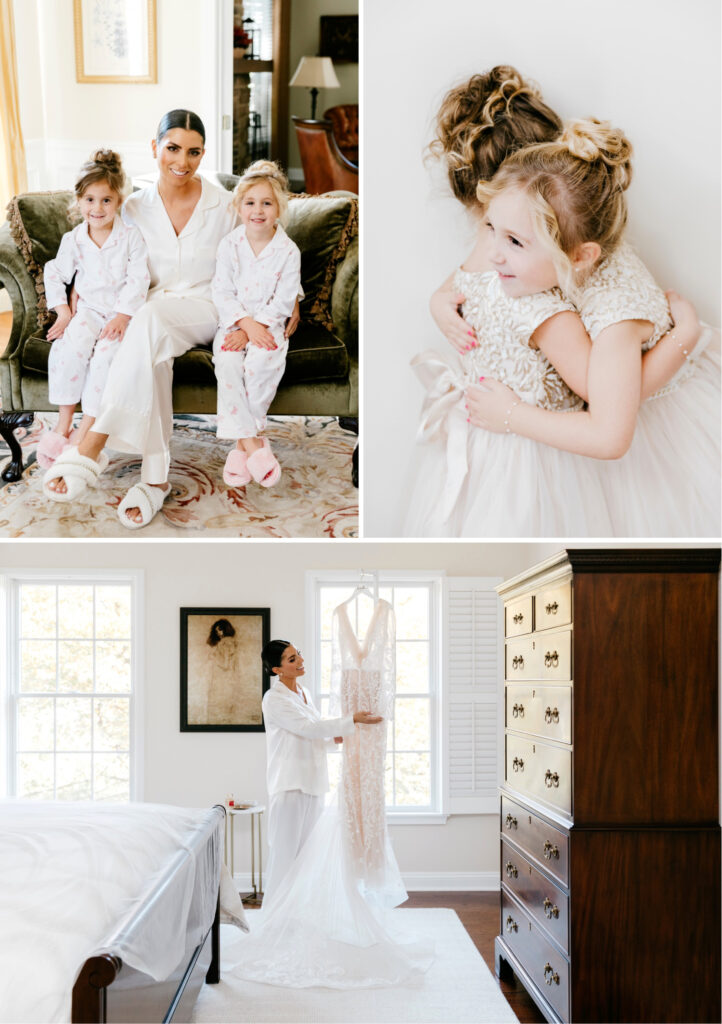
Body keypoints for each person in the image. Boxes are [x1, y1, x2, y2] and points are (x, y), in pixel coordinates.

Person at [406, 68, 718, 536]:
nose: (492, 252)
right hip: (516, 431)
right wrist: (439, 299)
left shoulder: (610, 307)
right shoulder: (516, 236)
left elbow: (609, 422)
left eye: (511, 237)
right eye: (490, 227)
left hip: (630, 424)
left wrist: (685, 339)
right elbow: (469, 270)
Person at [42, 109, 300, 529]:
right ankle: (154, 481)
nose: (182, 161)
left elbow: (264, 239)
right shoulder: (133, 208)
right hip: (151, 314)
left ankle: (91, 444)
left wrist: (296, 298)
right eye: (173, 149)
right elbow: (103, 255)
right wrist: (75, 294)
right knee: (152, 350)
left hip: (207, 309)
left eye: (194, 152)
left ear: (203, 154)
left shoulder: (223, 203)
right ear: (154, 148)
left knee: (150, 320)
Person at [38, 150, 149, 471]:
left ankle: (86, 428)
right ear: (78, 201)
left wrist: (123, 316)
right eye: (89, 200)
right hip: (86, 311)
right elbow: (54, 272)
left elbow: (138, 278)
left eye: (105, 200)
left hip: (119, 317)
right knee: (69, 348)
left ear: (118, 202)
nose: (97, 208)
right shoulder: (74, 240)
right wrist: (63, 311)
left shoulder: (130, 237)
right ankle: (63, 424)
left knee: (104, 360)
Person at [259, 639, 382, 907]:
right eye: (292, 659)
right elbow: (306, 728)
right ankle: (273, 921)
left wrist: (334, 739)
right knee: (284, 857)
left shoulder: (305, 693)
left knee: (307, 858)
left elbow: (313, 733)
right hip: (290, 784)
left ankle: (298, 914)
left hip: (314, 783)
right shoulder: (274, 700)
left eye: (298, 654)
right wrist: (350, 720)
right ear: (277, 670)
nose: (301, 661)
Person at [212, 161, 301, 488]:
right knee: (227, 361)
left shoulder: (288, 251)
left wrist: (257, 327)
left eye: (267, 203)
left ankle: (240, 447)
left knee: (262, 363)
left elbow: (284, 298)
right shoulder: (229, 245)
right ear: (238, 207)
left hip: (269, 325)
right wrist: (244, 326)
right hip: (234, 324)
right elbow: (221, 291)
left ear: (279, 208)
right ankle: (254, 444)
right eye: (250, 203)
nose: (258, 210)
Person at [205, 619, 242, 724]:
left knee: (217, 712)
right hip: (228, 681)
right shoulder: (232, 643)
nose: (218, 633)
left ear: (226, 629)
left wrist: (213, 657)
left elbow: (225, 665)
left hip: (222, 682)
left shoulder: (225, 643)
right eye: (216, 631)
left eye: (220, 630)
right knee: (226, 714)